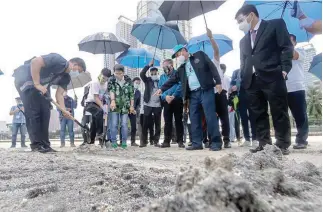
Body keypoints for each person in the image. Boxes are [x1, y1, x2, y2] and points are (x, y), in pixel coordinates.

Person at [235, 5, 293, 155]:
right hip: (251, 80)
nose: (239, 25)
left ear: (251, 15)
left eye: (240, 20)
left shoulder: (275, 25)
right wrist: (243, 75)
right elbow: (243, 60)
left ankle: (282, 144)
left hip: (273, 75)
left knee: (278, 110)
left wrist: (284, 69)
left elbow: (286, 47)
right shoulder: (243, 41)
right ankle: (264, 143)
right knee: (258, 113)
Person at [155, 45, 223, 151]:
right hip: (193, 94)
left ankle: (216, 142)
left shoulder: (199, 55)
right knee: (194, 118)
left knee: (210, 116)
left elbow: (212, 66)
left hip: (205, 90)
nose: (178, 57)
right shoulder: (181, 68)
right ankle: (197, 143)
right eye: (176, 56)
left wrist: (218, 82)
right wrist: (161, 89)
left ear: (184, 51)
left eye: (178, 54)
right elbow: (172, 80)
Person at [13, 53, 86, 153]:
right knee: (33, 111)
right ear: (75, 64)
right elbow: (35, 62)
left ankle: (45, 144)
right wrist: (37, 84)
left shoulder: (66, 78)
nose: (76, 73)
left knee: (45, 111)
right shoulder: (59, 60)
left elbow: (59, 95)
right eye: (79, 70)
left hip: (41, 86)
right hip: (26, 79)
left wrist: (64, 110)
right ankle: (36, 145)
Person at [206, 28, 231, 148]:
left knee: (224, 117)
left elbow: (216, 50)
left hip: (220, 93)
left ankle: (227, 139)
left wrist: (211, 38)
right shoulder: (202, 68)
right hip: (210, 95)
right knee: (212, 119)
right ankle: (214, 139)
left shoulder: (214, 62)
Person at [286, 34, 309, 149]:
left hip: (297, 88)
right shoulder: (279, 54)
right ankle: (284, 141)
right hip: (283, 89)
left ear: (295, 42)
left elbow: (293, 55)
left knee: (300, 116)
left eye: (289, 41)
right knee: (283, 116)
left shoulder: (300, 51)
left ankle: (301, 140)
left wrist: (286, 45)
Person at [158, 59, 185, 148]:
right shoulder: (162, 77)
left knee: (178, 120)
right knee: (167, 121)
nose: (164, 68)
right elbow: (160, 89)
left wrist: (173, 96)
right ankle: (166, 141)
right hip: (166, 100)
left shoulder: (178, 73)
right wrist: (165, 97)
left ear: (171, 65)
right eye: (163, 66)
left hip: (177, 99)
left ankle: (180, 140)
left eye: (165, 66)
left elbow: (180, 85)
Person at [109, 64, 135, 149]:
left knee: (124, 124)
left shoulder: (128, 81)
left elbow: (131, 94)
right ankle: (113, 142)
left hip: (125, 106)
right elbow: (111, 90)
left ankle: (124, 142)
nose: (118, 75)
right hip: (115, 106)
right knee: (114, 124)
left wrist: (131, 106)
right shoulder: (112, 80)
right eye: (116, 73)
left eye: (120, 73)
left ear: (123, 72)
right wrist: (112, 101)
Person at [84, 68, 111, 147]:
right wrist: (103, 107)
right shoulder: (95, 83)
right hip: (90, 103)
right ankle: (100, 133)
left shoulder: (105, 84)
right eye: (103, 78)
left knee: (94, 122)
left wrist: (105, 104)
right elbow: (96, 98)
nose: (104, 80)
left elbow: (103, 96)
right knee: (99, 112)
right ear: (100, 74)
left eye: (106, 79)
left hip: (98, 104)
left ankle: (91, 141)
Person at [231, 69, 256, 146]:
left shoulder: (253, 71)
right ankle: (247, 139)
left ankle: (255, 138)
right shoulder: (236, 72)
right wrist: (233, 87)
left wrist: (238, 85)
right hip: (240, 97)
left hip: (252, 96)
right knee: (243, 118)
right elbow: (232, 83)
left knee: (253, 118)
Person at [140, 62, 162, 147]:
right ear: (150, 74)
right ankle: (144, 141)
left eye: (155, 73)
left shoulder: (160, 81)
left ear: (157, 73)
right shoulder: (147, 80)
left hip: (158, 104)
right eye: (152, 73)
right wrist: (148, 66)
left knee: (157, 123)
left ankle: (156, 141)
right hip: (148, 104)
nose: (153, 75)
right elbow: (142, 73)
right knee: (145, 123)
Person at [129, 77, 141, 147]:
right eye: (136, 83)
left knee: (133, 126)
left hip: (133, 111)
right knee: (123, 125)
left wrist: (135, 110)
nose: (137, 84)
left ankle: (133, 141)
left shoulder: (138, 92)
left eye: (139, 83)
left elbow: (138, 103)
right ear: (133, 82)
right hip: (126, 110)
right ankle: (122, 141)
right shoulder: (128, 89)